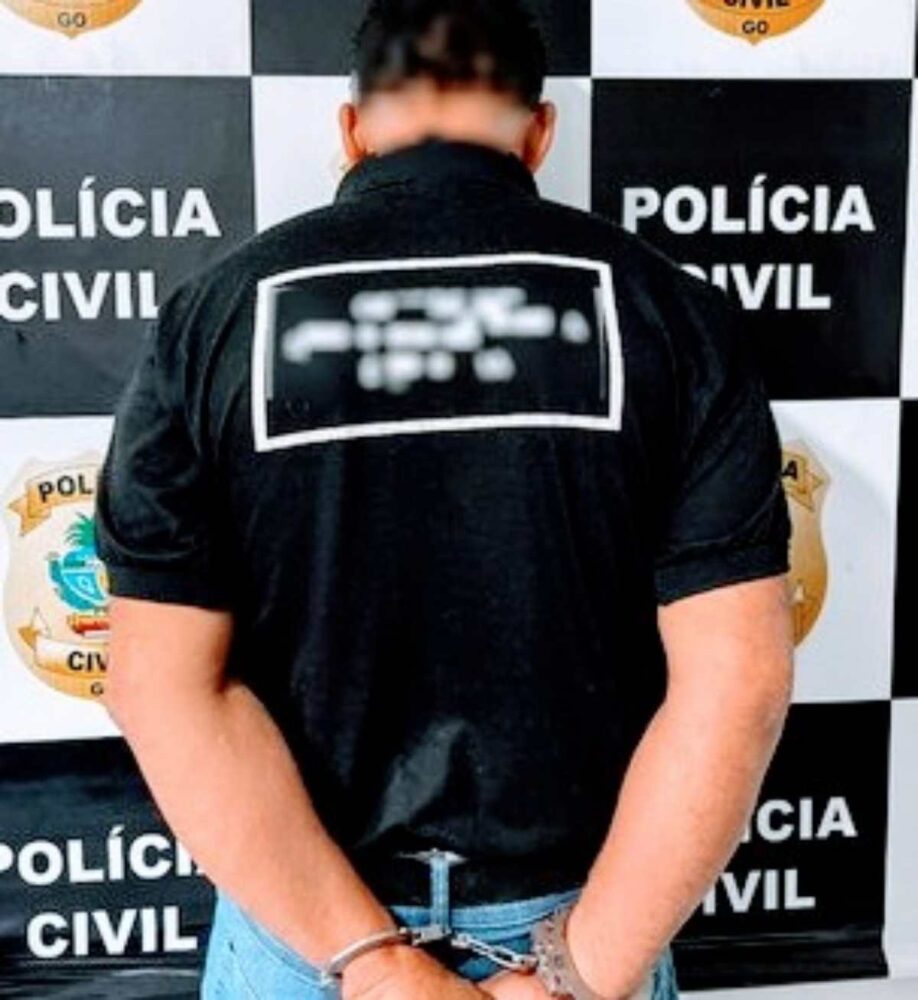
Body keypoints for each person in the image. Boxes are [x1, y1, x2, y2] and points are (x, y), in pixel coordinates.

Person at [93, 1, 795, 998]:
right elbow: (739, 681)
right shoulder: (675, 314)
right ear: (538, 133)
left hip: (307, 937)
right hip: (574, 926)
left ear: (352, 130)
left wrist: (370, 965)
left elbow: (160, 682)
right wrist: (578, 971)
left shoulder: (210, 320)